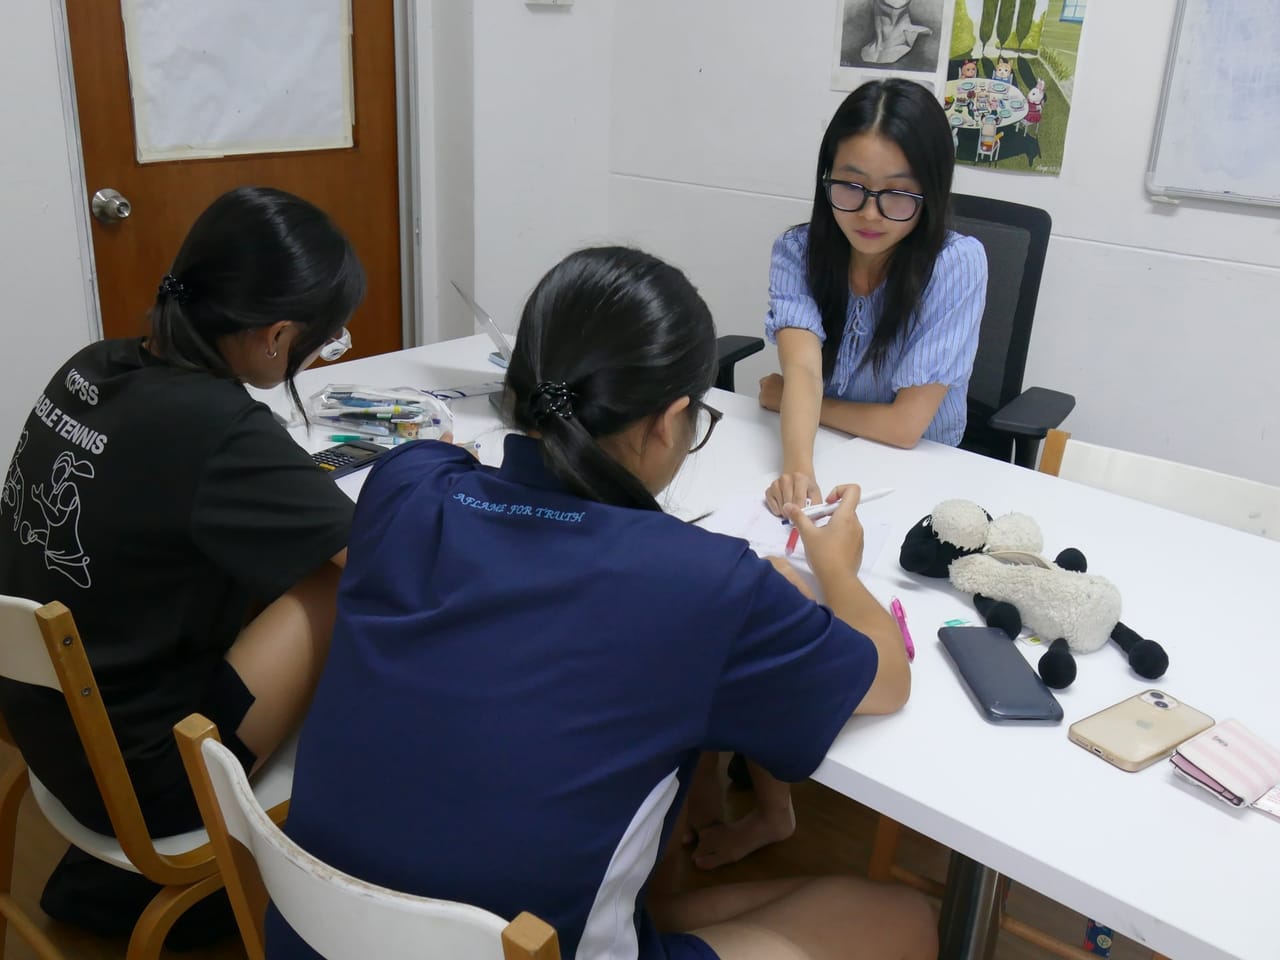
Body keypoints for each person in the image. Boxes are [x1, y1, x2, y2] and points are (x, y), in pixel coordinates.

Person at [271, 247, 934, 960]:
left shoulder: (406, 484)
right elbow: (886, 680)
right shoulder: (707, 584)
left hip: (316, 937)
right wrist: (837, 570)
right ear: (668, 420)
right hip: (523, 949)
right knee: (904, 916)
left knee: (660, 894)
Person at [0, 186, 362, 935]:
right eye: (324, 339)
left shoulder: (93, 365)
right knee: (335, 587)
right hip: (145, 783)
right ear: (277, 335)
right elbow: (373, 555)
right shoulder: (218, 428)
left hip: (43, 733)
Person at [760, 78, 987, 516]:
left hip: (918, 473)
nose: (869, 214)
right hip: (829, 450)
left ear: (931, 192)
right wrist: (798, 470)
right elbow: (802, 367)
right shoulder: (796, 251)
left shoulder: (956, 264)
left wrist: (794, 399)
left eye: (897, 194)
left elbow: (905, 427)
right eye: (851, 185)